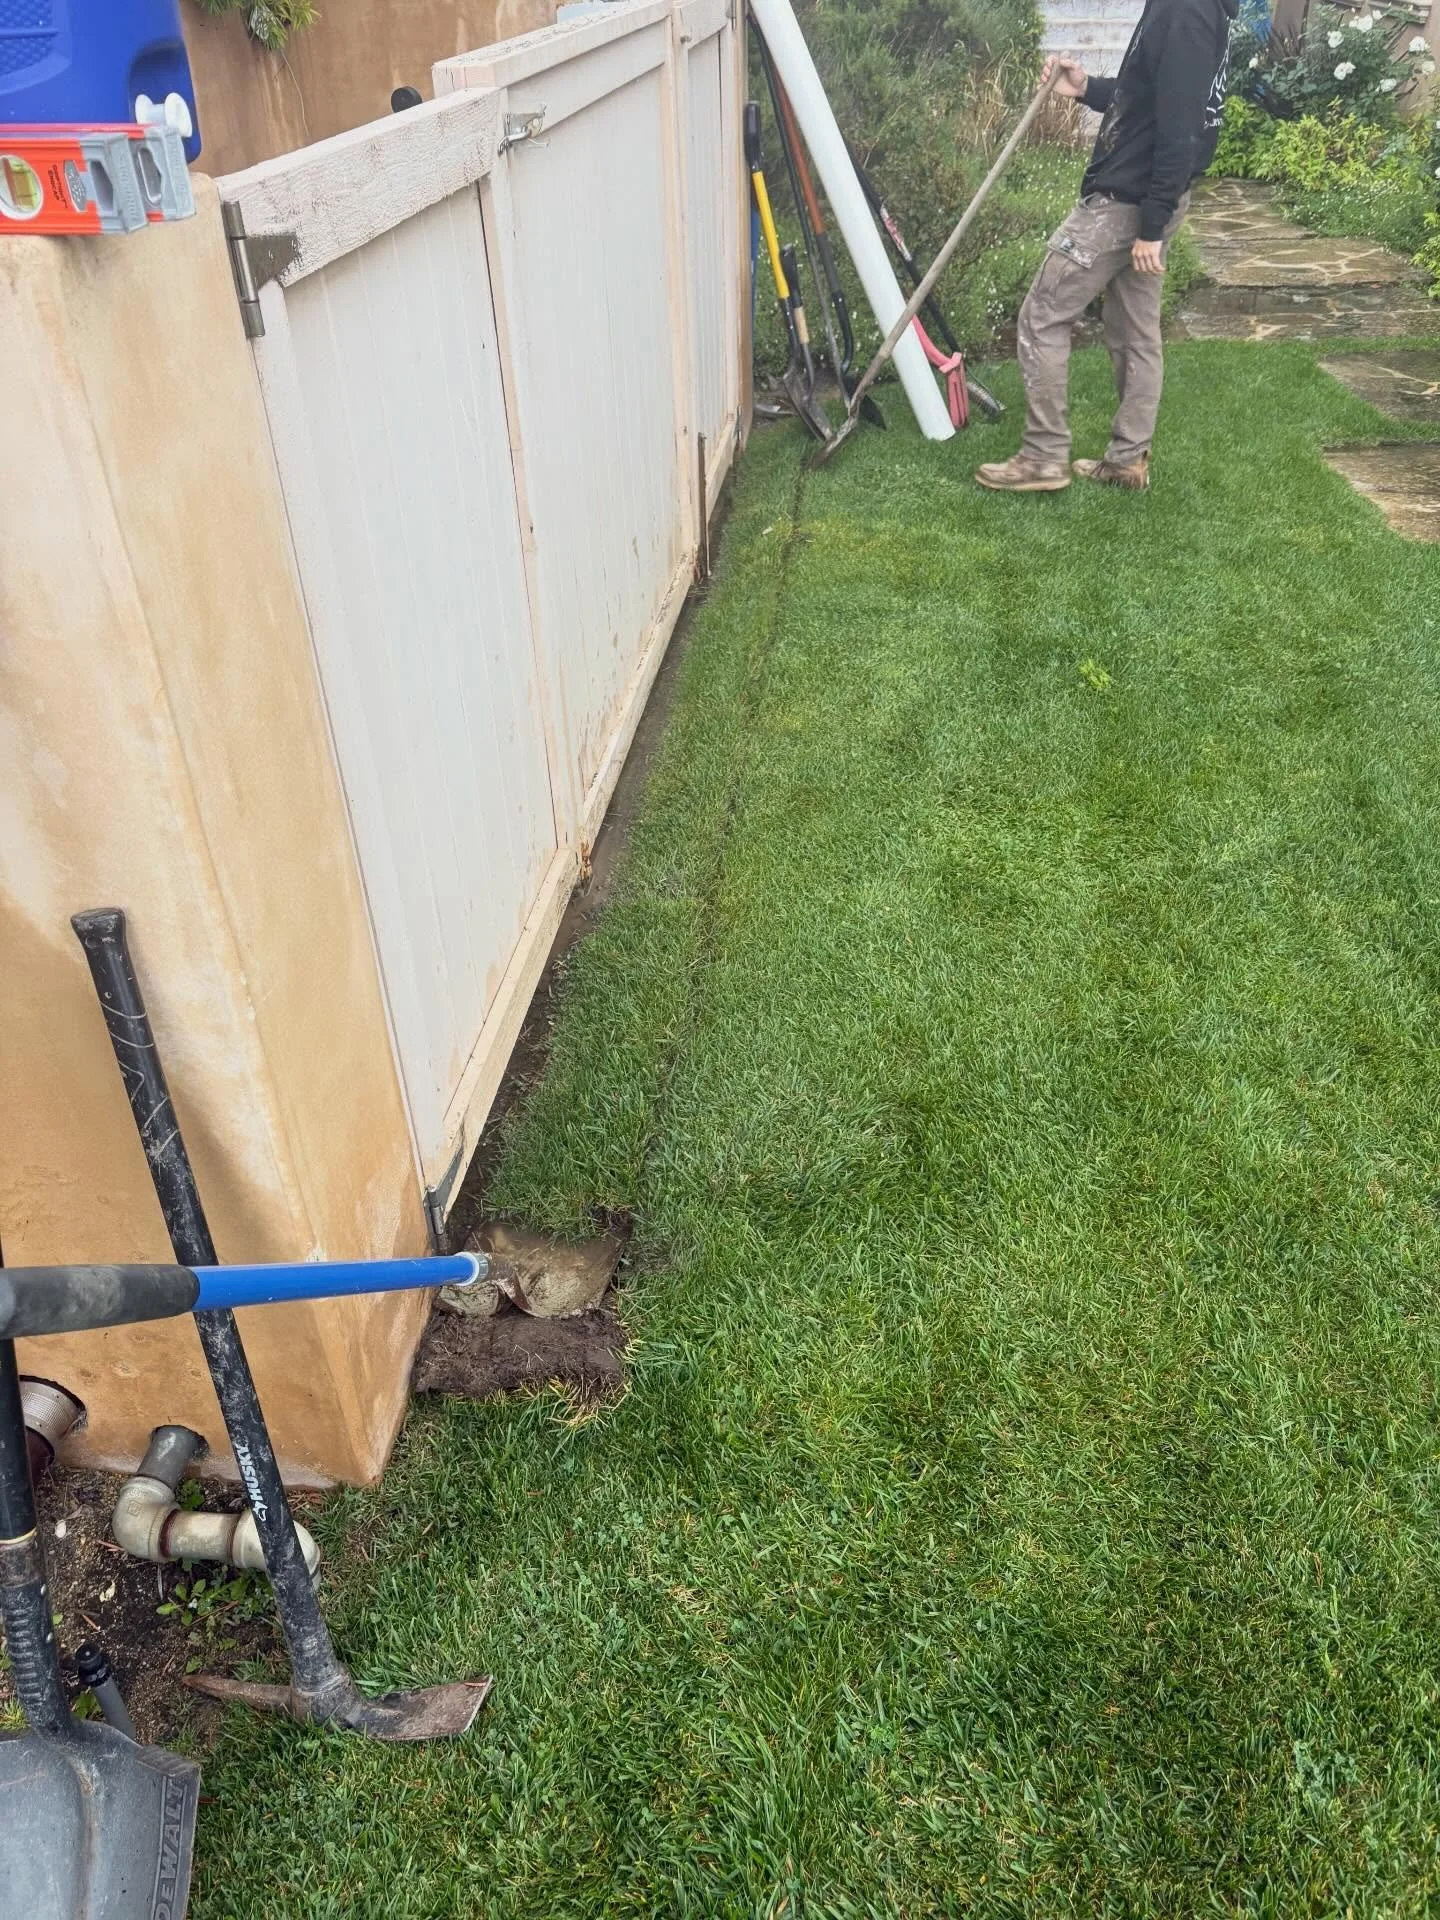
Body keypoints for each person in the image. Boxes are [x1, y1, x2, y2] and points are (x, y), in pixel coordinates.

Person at [976, 0, 1238, 495]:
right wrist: (1087, 89)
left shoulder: (1186, 10)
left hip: (1126, 203)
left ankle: (1043, 456)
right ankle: (1127, 460)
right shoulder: (1196, 9)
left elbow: (1181, 124)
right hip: (1150, 198)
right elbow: (1151, 96)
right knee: (1134, 326)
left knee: (1043, 313)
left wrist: (1152, 225)